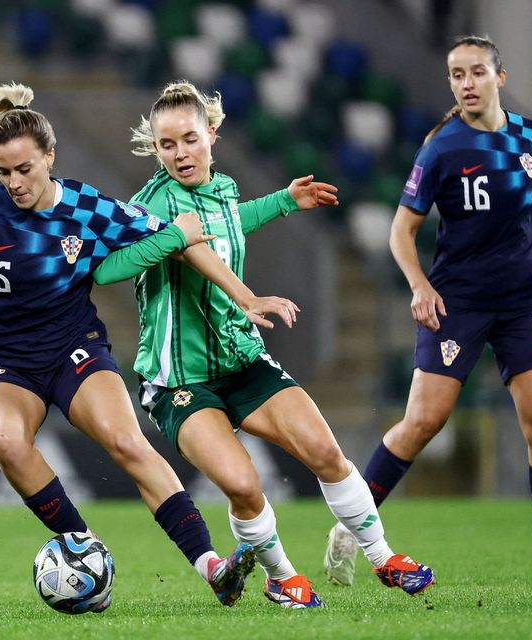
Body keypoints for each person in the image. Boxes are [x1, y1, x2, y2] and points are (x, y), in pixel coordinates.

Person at [0, 82, 301, 609]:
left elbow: (184, 239)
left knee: (127, 442)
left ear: (49, 156)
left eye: (24, 170)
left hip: (75, 348)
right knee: (6, 440)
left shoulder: (89, 208)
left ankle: (212, 568)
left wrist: (246, 295)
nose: (14, 183)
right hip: (6, 361)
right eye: (3, 172)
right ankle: (82, 545)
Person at [94, 81, 436, 608]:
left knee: (325, 452)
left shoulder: (224, 188)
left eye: (188, 139)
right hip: (180, 380)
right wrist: (172, 240)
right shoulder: (150, 203)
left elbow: (230, 222)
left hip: (242, 360)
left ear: (212, 133)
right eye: (167, 145)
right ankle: (281, 575)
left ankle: (381, 555)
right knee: (244, 484)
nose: (179, 154)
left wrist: (283, 202)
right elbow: (106, 267)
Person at [327, 35, 532, 583]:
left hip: (520, 298)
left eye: (475, 73)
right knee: (423, 421)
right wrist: (419, 285)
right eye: (456, 75)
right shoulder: (442, 148)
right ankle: (351, 527)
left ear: (500, 77)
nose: (465, 84)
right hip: (458, 300)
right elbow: (402, 229)